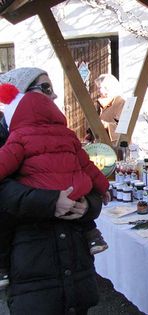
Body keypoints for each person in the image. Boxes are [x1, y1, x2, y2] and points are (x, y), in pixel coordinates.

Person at [0, 67, 105, 314]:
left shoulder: (61, 134)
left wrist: (89, 205)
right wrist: (49, 201)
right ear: (21, 95)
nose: (55, 96)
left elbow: (84, 173)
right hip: (33, 261)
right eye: (46, 88)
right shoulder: (6, 138)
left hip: (75, 257)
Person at [86, 74, 125, 144]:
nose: (97, 91)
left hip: (115, 145)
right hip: (101, 146)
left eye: (99, 88)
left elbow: (122, 128)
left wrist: (106, 125)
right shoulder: (100, 103)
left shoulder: (120, 103)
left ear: (108, 88)